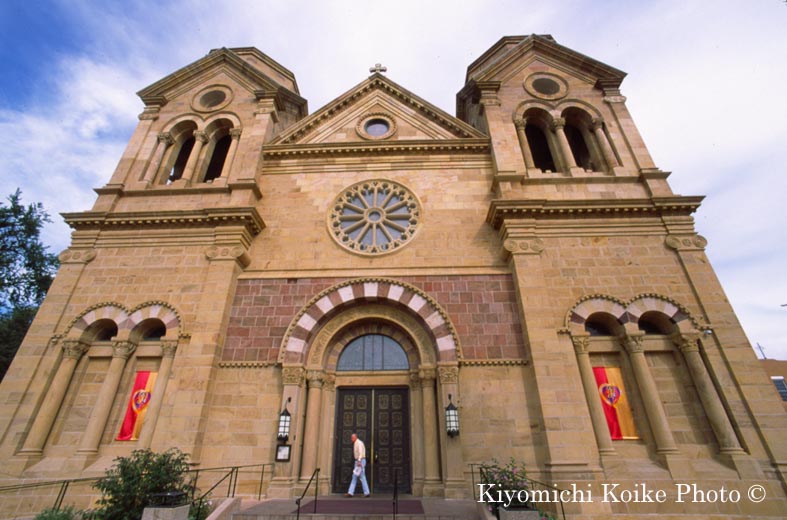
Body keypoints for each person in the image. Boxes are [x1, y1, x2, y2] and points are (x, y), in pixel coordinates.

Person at [345, 432, 370, 497]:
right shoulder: (356, 443)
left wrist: (359, 461)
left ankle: (366, 492)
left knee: (362, 476)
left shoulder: (359, 443)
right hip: (358, 461)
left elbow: (360, 452)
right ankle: (350, 492)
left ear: (355, 437)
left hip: (360, 461)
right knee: (355, 476)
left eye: (352, 438)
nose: (351, 439)